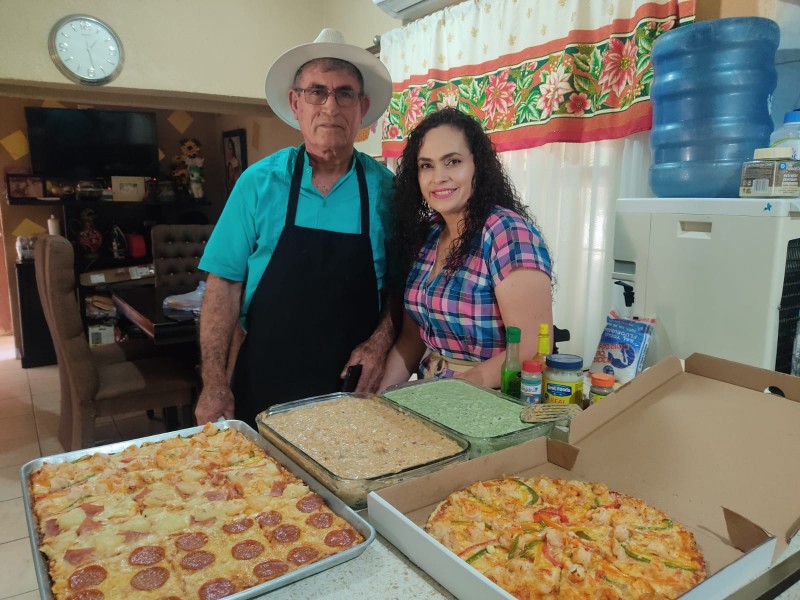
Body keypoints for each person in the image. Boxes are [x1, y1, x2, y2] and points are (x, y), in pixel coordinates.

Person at [196, 29, 396, 426]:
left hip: (352, 388)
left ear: (362, 107)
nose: (330, 107)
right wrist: (214, 382)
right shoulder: (258, 183)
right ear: (295, 103)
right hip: (267, 380)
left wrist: (379, 342)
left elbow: (401, 286)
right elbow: (224, 286)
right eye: (316, 92)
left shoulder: (388, 191)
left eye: (344, 93)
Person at [379, 107, 553, 390]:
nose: (439, 177)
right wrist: (376, 398)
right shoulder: (428, 236)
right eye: (427, 165)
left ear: (478, 166)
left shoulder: (506, 232)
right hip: (434, 393)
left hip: (493, 399)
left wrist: (447, 395)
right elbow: (412, 339)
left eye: (453, 161)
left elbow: (530, 350)